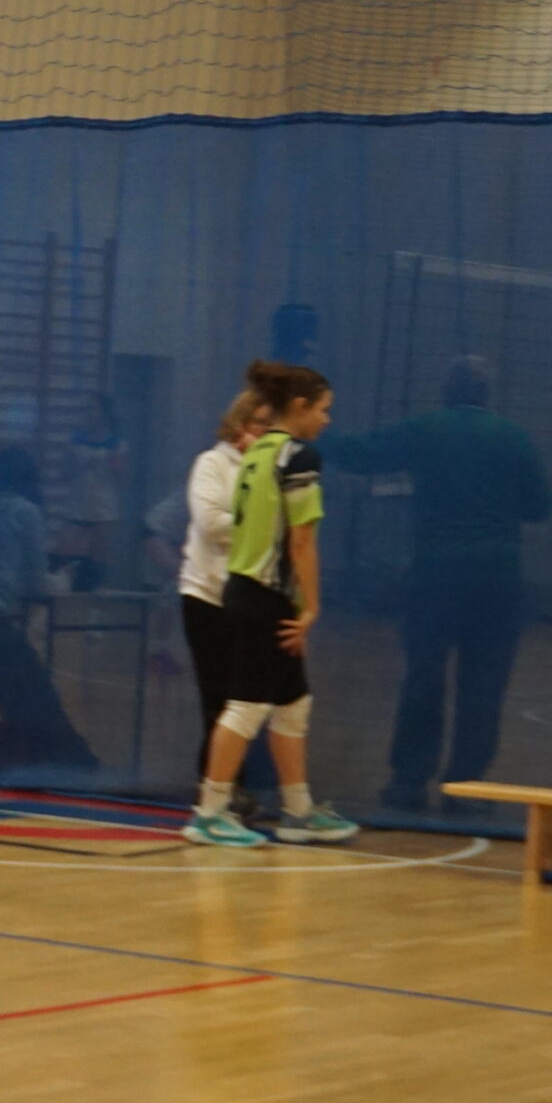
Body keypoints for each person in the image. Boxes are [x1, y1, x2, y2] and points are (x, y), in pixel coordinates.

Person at [328, 356, 552, 809]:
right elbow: (540, 507)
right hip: (497, 577)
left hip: (436, 574)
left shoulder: (427, 429)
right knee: (484, 684)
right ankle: (466, 786)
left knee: (424, 675)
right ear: (487, 394)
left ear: (446, 391)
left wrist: (308, 432)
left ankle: (409, 781)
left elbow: (362, 454)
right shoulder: (513, 437)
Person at [184, 361, 361, 848]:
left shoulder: (256, 451)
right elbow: (301, 540)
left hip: (246, 589)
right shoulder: (298, 456)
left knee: (292, 702)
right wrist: (311, 607)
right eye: (322, 410)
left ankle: (298, 812)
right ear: (299, 407)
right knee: (246, 706)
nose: (326, 420)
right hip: (266, 596)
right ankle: (209, 812)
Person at [0, 448, 98, 771]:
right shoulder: (25, 512)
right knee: (32, 685)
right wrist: (65, 578)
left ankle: (29, 752)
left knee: (18, 675)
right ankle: (64, 761)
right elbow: (36, 585)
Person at [177, 392, 272, 805]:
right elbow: (213, 524)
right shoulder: (212, 464)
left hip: (254, 600)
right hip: (207, 598)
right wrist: (263, 526)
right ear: (241, 424)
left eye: (272, 426)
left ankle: (236, 786)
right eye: (260, 423)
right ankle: (216, 794)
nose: (267, 433)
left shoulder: (275, 472)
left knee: (249, 701)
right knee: (218, 699)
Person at [55, 392, 126, 591]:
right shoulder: (73, 441)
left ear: (104, 413)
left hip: (104, 507)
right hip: (77, 505)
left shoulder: (117, 445)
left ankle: (95, 594)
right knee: (66, 551)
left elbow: (123, 480)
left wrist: (114, 464)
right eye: (85, 409)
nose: (88, 413)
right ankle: (66, 590)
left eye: (92, 408)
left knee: (99, 556)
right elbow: (63, 474)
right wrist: (83, 465)